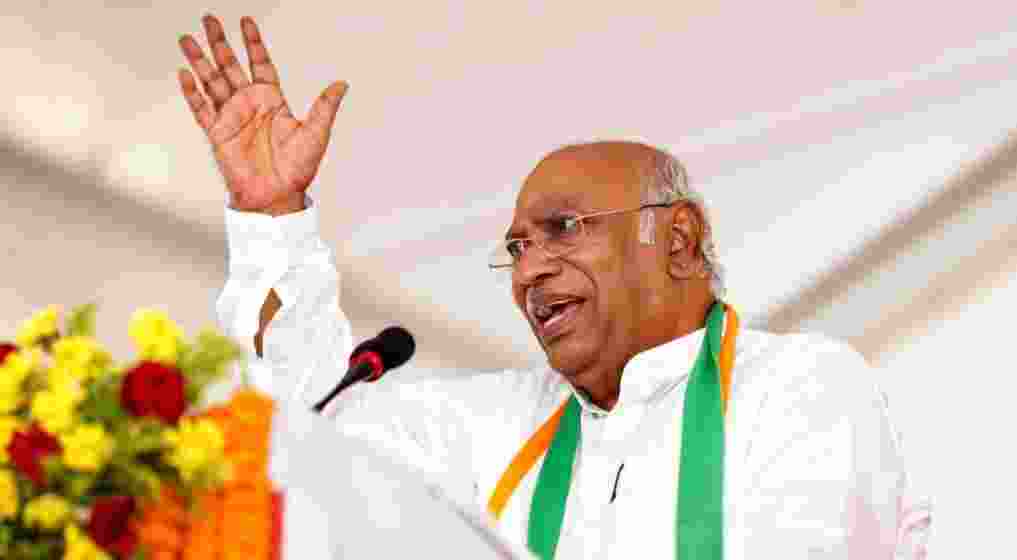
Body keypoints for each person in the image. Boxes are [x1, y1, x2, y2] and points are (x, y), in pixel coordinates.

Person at [178, 14, 931, 559]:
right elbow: (314, 420)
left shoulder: (802, 387)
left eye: (564, 228)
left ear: (677, 239)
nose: (530, 268)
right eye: (517, 247)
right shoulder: (500, 424)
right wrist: (271, 216)